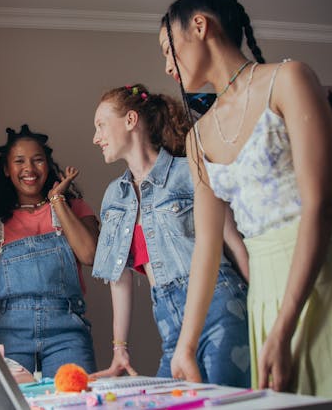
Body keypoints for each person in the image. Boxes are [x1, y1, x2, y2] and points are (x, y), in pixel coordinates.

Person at [159, 0, 332, 409]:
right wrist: (186, 344)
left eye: (168, 49)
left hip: (328, 278)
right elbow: (206, 245)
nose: (168, 67)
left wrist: (285, 326)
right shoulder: (197, 139)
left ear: (199, 26)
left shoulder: (289, 79)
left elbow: (321, 204)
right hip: (265, 297)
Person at [90, 84, 250, 386]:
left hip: (220, 305)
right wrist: (119, 349)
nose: (95, 137)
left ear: (130, 120)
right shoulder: (115, 195)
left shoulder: (188, 171)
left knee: (227, 403)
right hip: (168, 317)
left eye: (100, 125)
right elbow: (118, 277)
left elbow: (233, 243)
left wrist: (267, 310)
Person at [0, 124, 99, 377]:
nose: (29, 169)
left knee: (76, 400)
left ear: (48, 165)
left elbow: (90, 255)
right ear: (6, 169)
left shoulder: (73, 208)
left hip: (67, 333)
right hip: (7, 332)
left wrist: (58, 201)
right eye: (19, 161)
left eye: (38, 160)